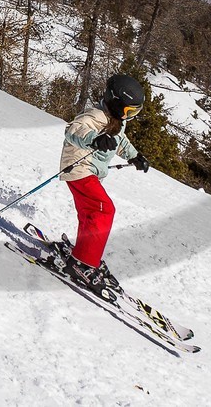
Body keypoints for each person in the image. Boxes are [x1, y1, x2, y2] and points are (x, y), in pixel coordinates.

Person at [56, 73, 151, 294]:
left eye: (135, 112)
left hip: (89, 172)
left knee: (90, 214)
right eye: (129, 111)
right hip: (79, 168)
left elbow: (120, 140)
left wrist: (134, 156)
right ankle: (82, 263)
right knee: (103, 209)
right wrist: (94, 139)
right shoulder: (95, 116)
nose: (131, 116)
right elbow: (74, 130)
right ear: (116, 102)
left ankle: (85, 253)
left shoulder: (117, 120)